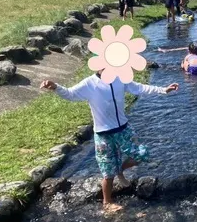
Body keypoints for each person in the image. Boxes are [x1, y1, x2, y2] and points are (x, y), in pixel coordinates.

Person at [40, 72, 178, 212]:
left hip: (123, 130)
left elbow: (139, 87)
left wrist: (163, 90)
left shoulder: (120, 78)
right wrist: (55, 87)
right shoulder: (90, 83)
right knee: (107, 172)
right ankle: (107, 202)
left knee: (141, 154)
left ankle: (120, 170)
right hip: (103, 134)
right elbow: (71, 94)